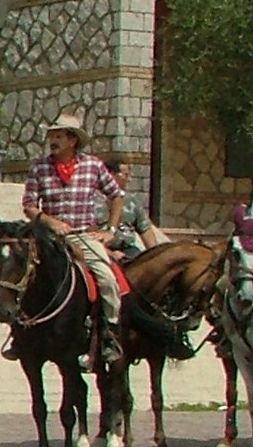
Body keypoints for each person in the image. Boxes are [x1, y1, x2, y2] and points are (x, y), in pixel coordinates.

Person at [21, 113, 123, 368]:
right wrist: (50, 222)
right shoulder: (39, 168)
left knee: (107, 278)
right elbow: (29, 206)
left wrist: (110, 229)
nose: (53, 141)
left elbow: (116, 195)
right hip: (49, 237)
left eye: (58, 136)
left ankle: (108, 334)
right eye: (51, 136)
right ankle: (19, 333)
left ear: (72, 140)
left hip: (83, 235)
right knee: (20, 274)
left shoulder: (93, 166)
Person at [101, 152, 165, 258]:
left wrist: (155, 255)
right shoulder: (93, 200)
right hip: (102, 251)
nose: (129, 180)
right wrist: (110, 254)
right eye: (125, 175)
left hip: (128, 250)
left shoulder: (131, 201)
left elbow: (145, 229)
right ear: (111, 174)